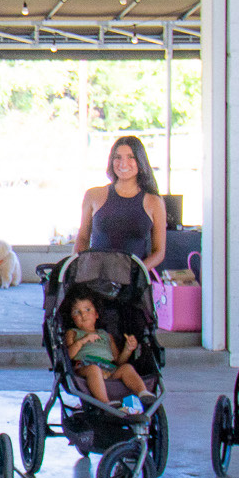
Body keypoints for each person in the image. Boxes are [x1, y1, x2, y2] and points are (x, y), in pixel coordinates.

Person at [74, 135, 167, 268]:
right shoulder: (93, 195)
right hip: (96, 276)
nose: (123, 163)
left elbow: (159, 252)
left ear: (140, 161)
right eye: (118, 157)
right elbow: (82, 239)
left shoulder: (154, 201)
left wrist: (136, 273)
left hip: (134, 277)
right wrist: (79, 268)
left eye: (130, 157)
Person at [64, 293, 146, 414]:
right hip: (85, 366)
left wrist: (128, 349)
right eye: (77, 312)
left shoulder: (106, 335)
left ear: (96, 314)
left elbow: (118, 360)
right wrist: (82, 341)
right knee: (94, 369)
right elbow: (69, 355)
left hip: (109, 369)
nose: (83, 315)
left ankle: (143, 393)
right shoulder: (73, 333)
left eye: (87, 309)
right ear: (72, 318)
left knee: (127, 367)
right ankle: (105, 403)